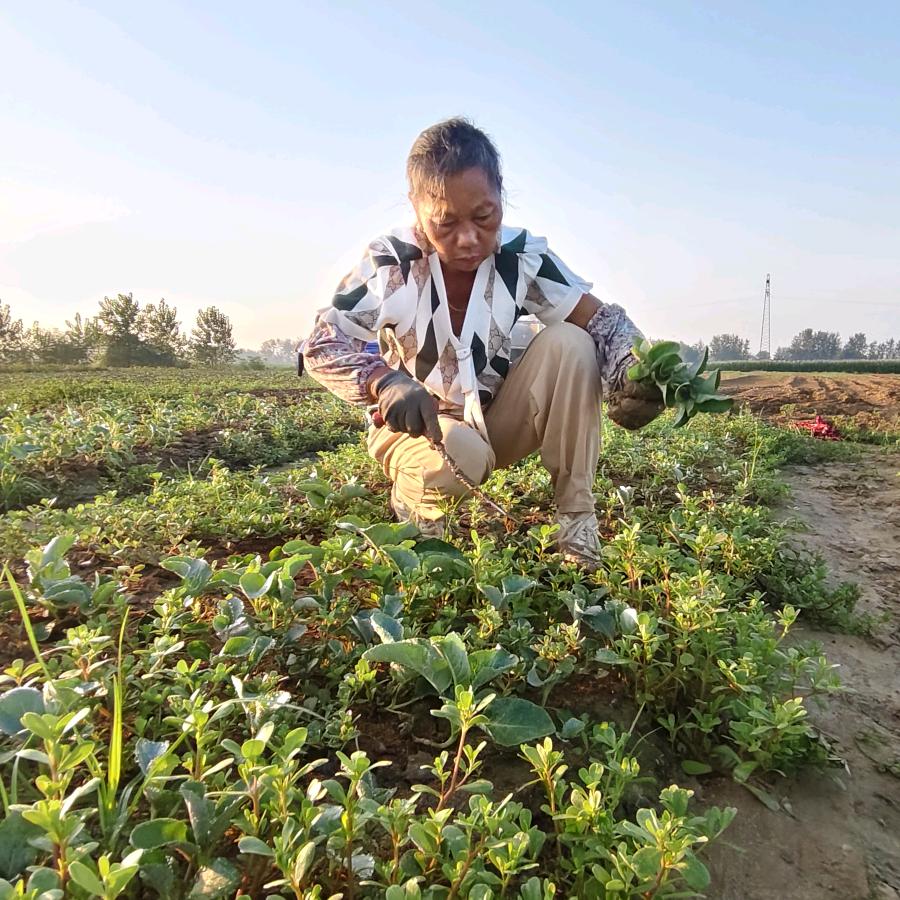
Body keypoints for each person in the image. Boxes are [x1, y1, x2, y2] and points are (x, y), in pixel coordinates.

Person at [304, 118, 663, 567]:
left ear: (500, 198)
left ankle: (577, 527)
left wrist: (634, 367)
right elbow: (321, 344)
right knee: (462, 453)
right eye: (445, 223)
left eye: (483, 216)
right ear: (416, 208)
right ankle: (414, 505)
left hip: (493, 423)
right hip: (415, 430)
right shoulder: (390, 263)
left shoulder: (521, 257)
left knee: (572, 342)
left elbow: (603, 322)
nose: (469, 238)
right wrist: (384, 381)